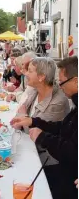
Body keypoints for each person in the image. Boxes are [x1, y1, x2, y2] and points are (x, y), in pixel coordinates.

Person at [11, 56, 78, 199]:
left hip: (62, 169)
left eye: (62, 82)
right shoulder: (75, 105)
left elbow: (70, 151)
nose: (59, 86)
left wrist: (41, 135)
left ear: (76, 81)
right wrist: (33, 122)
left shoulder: (60, 100)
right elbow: (62, 127)